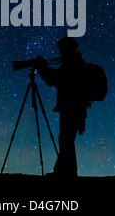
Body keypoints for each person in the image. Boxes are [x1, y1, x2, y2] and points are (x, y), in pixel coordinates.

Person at [35, 36, 89, 178]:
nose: (60, 52)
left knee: (66, 139)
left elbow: (52, 80)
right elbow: (56, 78)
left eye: (61, 49)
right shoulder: (75, 61)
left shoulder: (72, 63)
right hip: (76, 107)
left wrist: (42, 68)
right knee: (66, 139)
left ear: (66, 48)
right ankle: (63, 171)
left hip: (71, 107)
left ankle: (67, 173)